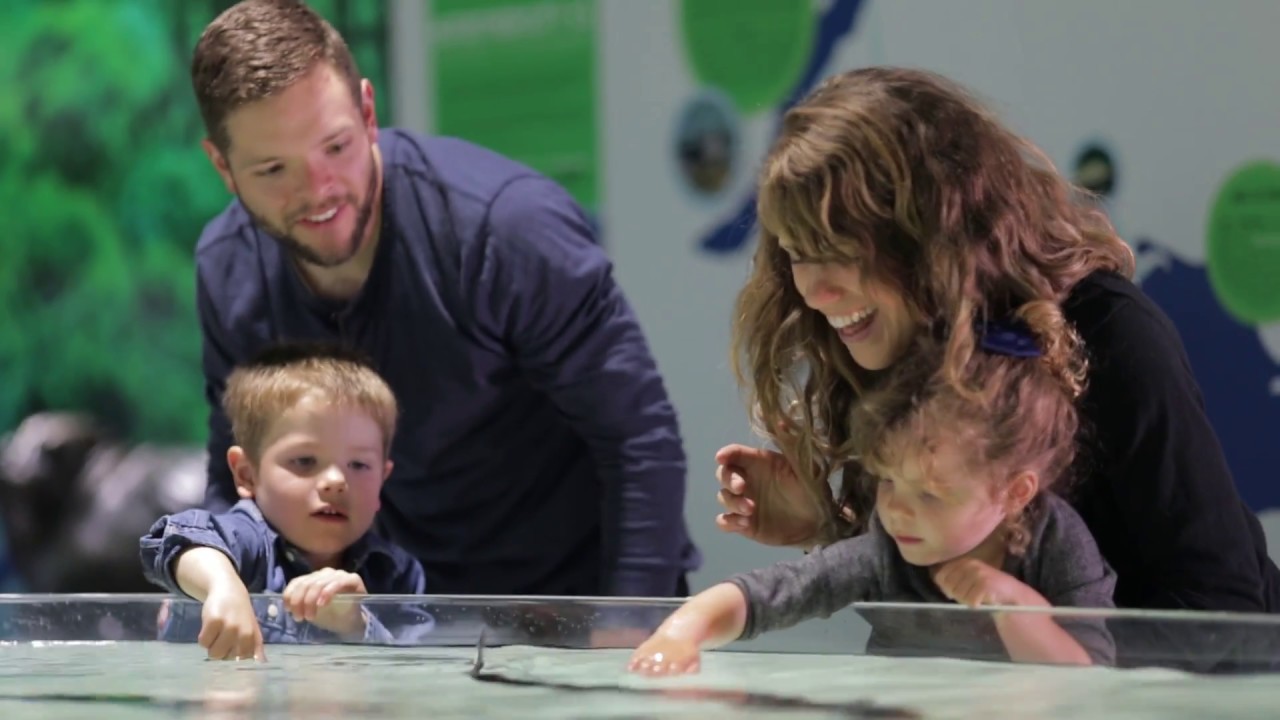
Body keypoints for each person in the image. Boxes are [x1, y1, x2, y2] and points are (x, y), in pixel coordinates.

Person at [712, 68, 1279, 621]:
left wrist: (1071, 678)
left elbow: (1224, 614)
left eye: (843, 247)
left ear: (932, 231)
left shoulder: (1110, 332)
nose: (812, 290)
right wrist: (836, 524)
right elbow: (951, 597)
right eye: (797, 251)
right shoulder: (887, 339)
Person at [188, 0, 697, 599]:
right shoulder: (228, 268)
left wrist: (630, 629)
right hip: (396, 613)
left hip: (573, 595)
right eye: (273, 168)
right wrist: (219, 587)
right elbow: (238, 468)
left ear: (369, 113)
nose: (318, 190)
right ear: (223, 166)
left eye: (335, 147)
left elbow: (638, 440)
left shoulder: (505, 229)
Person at [631, 308, 1116, 674]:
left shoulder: (1055, 544)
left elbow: (1090, 682)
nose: (897, 510)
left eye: (930, 494)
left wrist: (1015, 610)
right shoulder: (887, 551)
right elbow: (772, 593)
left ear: (1015, 493)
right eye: (887, 480)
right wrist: (680, 632)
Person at [140, 343, 432, 660]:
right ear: (247, 474)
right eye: (305, 461)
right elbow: (179, 539)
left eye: (359, 465)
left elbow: (411, 672)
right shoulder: (248, 540)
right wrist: (222, 585)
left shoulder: (396, 573)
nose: (335, 481)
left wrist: (356, 624)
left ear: (382, 480)